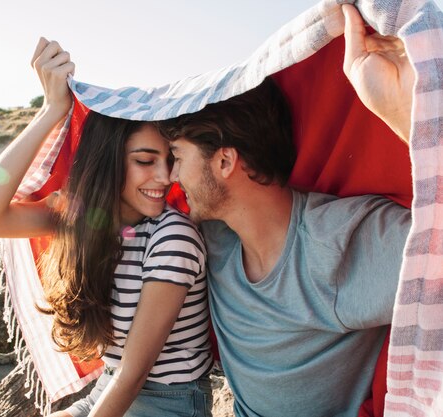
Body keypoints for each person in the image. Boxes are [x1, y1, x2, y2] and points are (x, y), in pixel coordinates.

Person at [156, 5, 414, 417]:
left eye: (177, 157)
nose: (170, 176)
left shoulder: (336, 244)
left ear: (224, 163)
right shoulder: (213, 240)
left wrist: (405, 117)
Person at [0, 38, 213, 417]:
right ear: (107, 162)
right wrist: (50, 111)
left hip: (169, 401)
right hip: (109, 388)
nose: (165, 177)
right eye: (146, 160)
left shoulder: (172, 236)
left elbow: (136, 369)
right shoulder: (80, 219)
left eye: (169, 159)